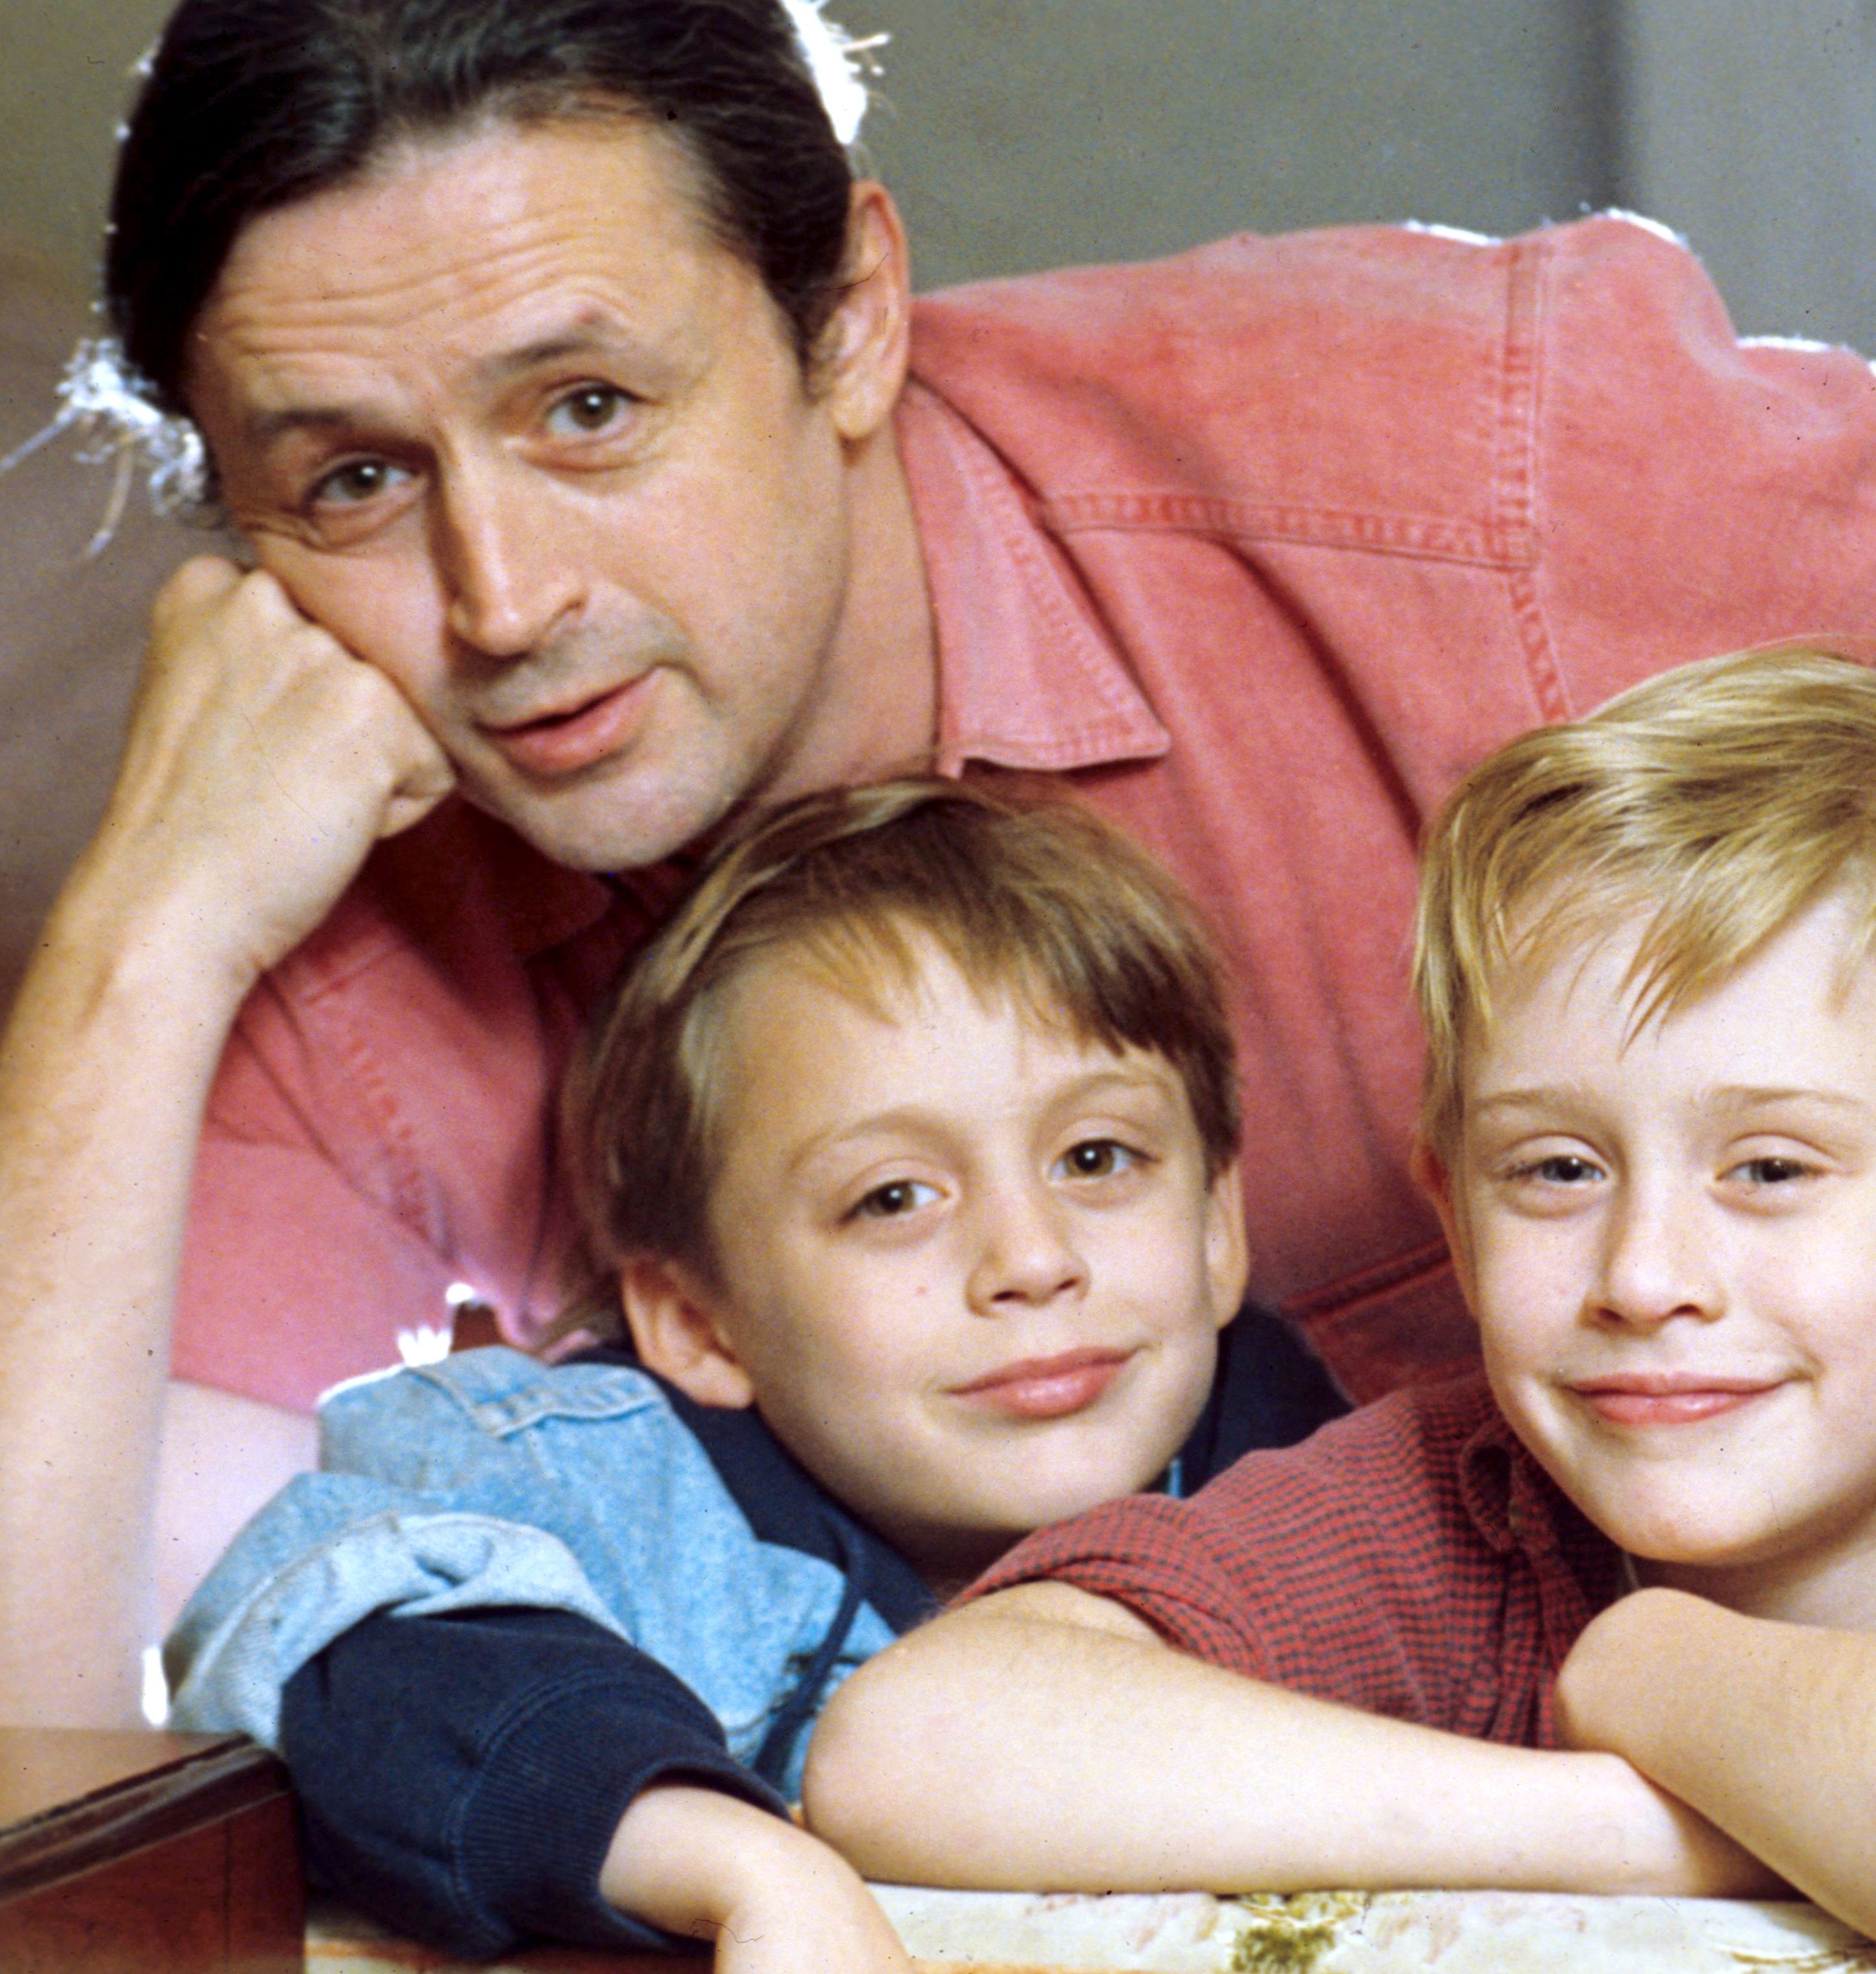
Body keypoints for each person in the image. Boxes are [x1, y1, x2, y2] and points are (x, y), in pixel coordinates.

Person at [0, 0, 1876, 1729]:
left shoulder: (1465, 484)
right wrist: (139, 938)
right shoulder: (309, 913)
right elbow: (41, 1742)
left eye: (587, 408)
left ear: (849, 313)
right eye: (355, 480)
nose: (500, 600)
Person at [803, 650, 1876, 1974]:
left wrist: (1642, 1660)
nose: (1645, 1275)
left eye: (1771, 1166)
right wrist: (1639, 1827)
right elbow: (913, 1743)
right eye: (1556, 1168)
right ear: (1450, 1199)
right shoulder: (1454, 1492)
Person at [161, 777, 1342, 1966]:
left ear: (1214, 1228)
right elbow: (342, 1644)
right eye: (892, 1197)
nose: (1032, 1261)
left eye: (1096, 1155)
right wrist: (740, 1866)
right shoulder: (594, 1481)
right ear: (699, 1321)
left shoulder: (1327, 1473)